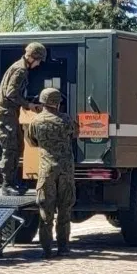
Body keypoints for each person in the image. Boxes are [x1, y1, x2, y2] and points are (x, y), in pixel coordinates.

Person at [26, 87, 79, 258]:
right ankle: (63, 247)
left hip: (46, 170)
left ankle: (46, 249)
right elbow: (76, 133)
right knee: (65, 210)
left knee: (45, 210)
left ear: (42, 101)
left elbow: (32, 142)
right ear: (58, 103)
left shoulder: (36, 121)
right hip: (66, 170)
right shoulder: (66, 120)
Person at [0, 42, 47, 196]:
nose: (39, 64)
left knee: (18, 146)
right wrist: (28, 104)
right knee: (11, 147)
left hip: (9, 112)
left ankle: (13, 182)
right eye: (39, 60)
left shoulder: (19, 67)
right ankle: (7, 185)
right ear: (33, 57)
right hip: (5, 112)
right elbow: (11, 93)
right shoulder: (20, 70)